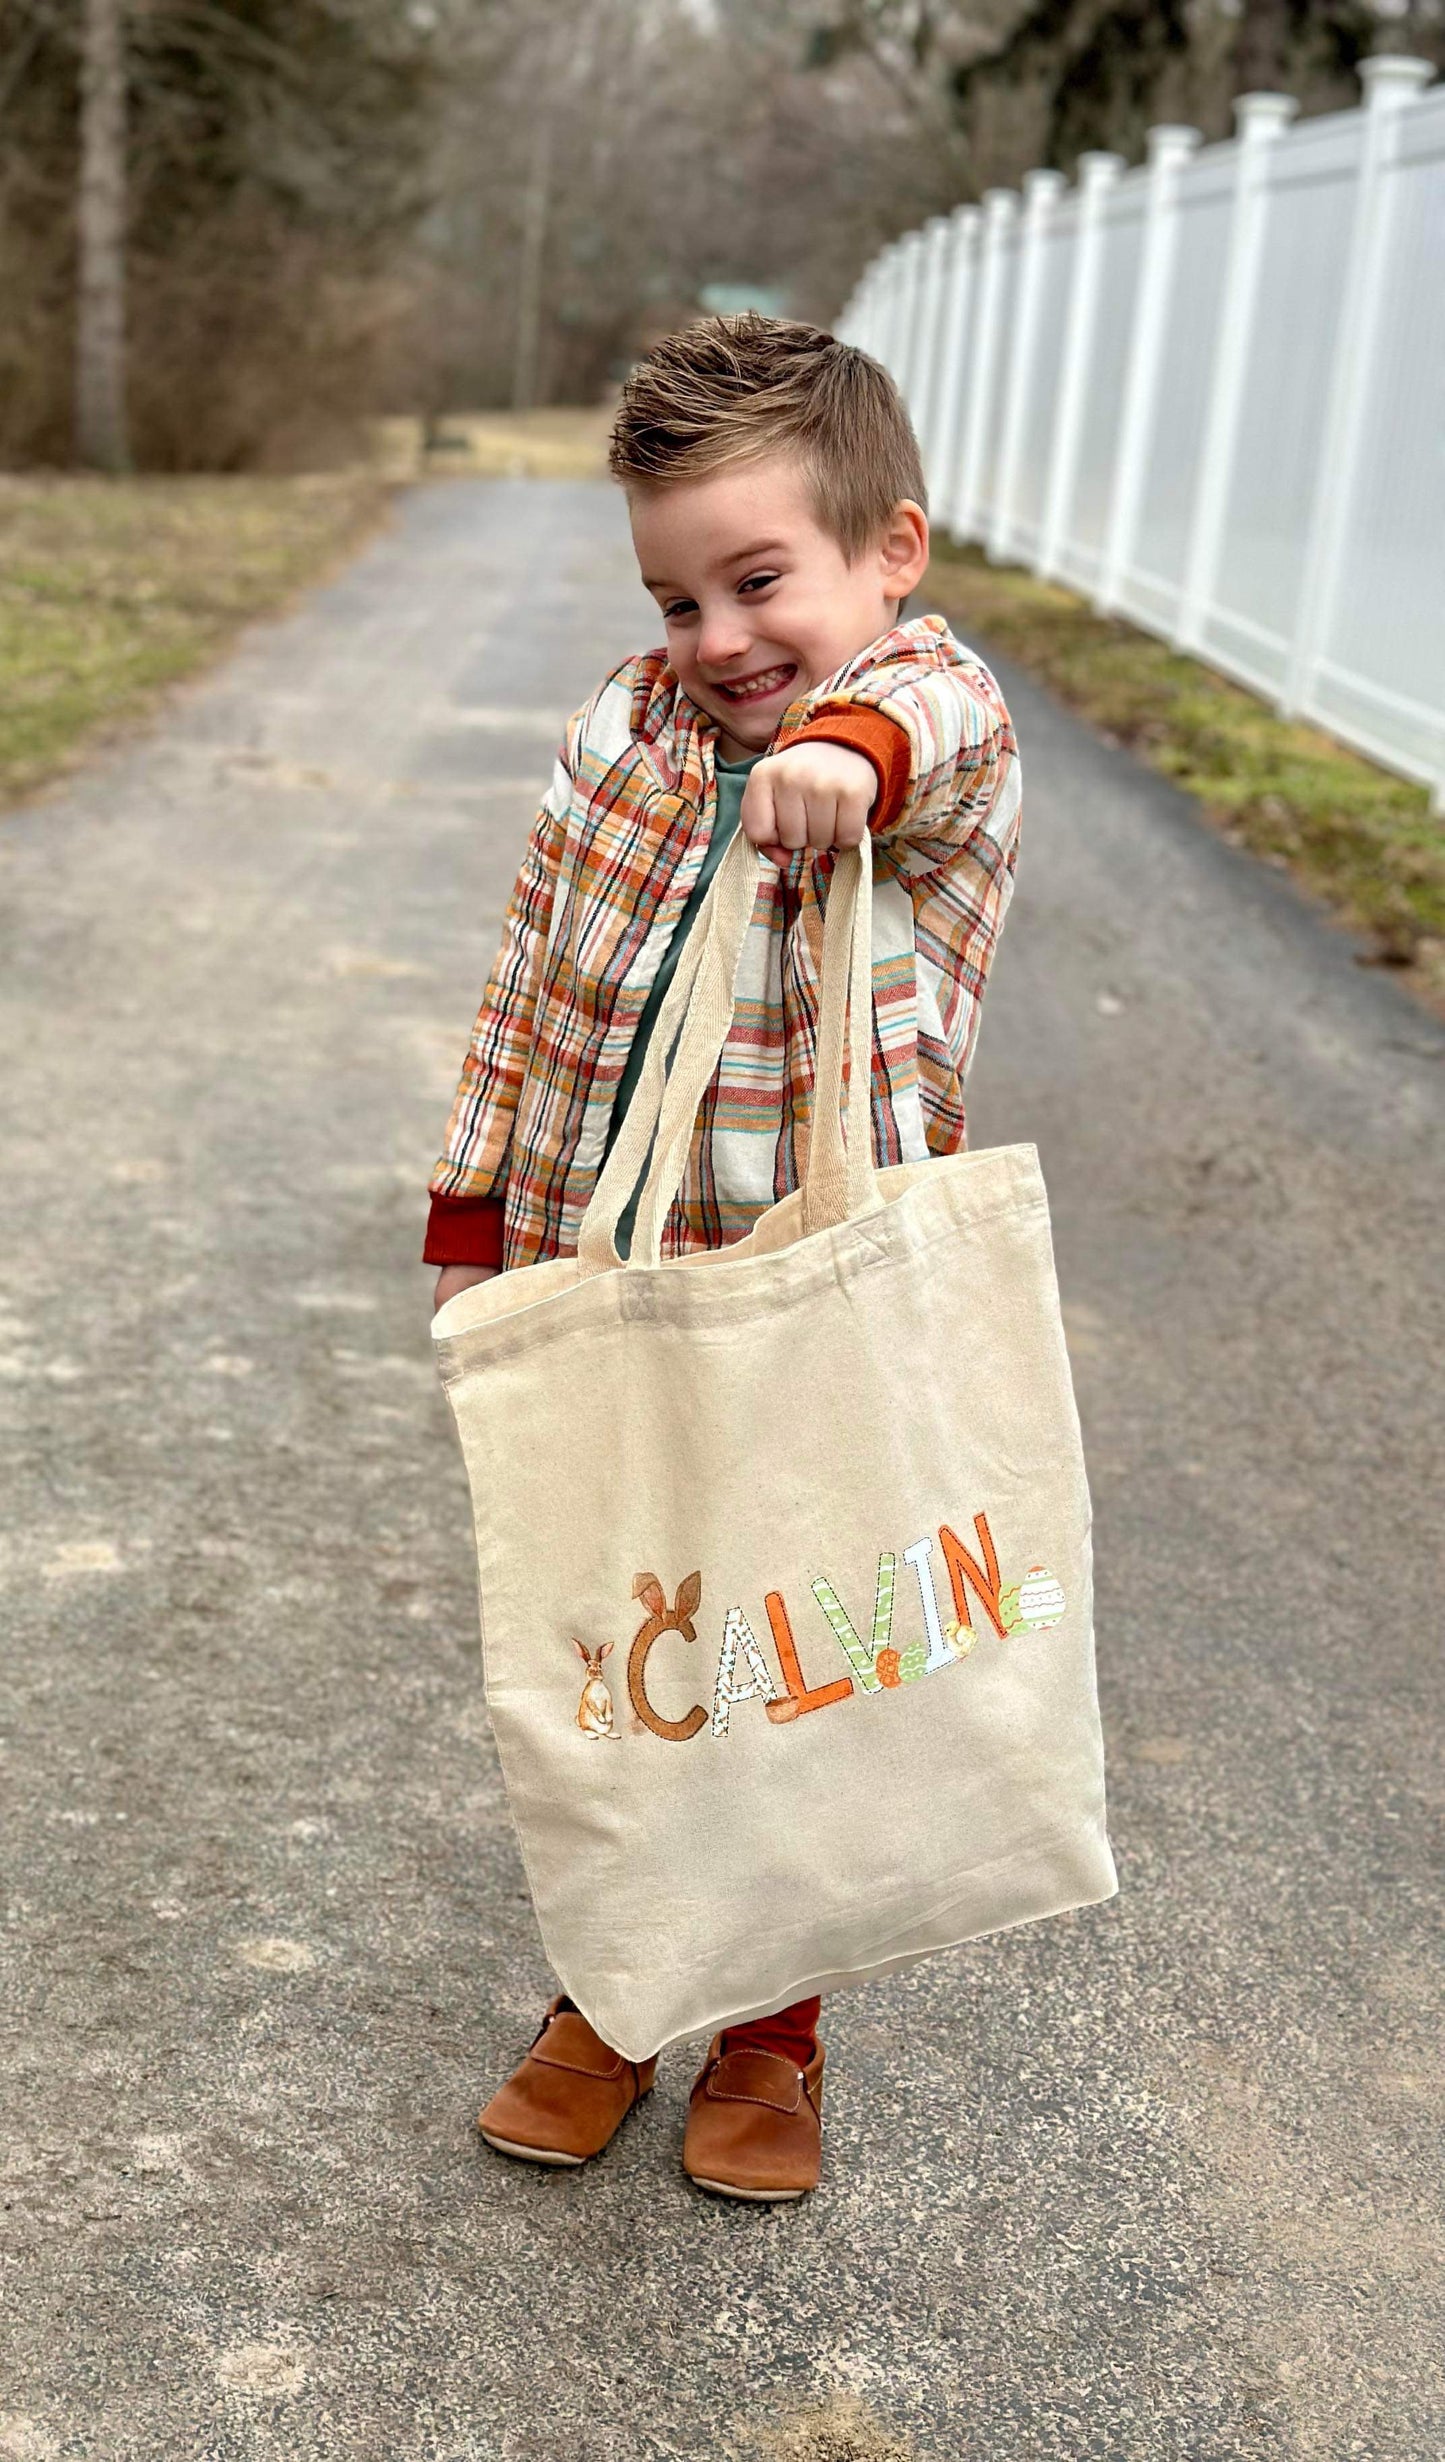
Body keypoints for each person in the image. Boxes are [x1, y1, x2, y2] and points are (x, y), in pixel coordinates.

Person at [425, 313, 1021, 2200]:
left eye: (761, 580)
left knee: (797, 1653)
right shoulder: (624, 726)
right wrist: (473, 1215)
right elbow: (534, 974)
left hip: (815, 1290)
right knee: (625, 1644)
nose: (719, 640)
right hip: (610, 1278)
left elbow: (932, 718)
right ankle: (615, 1985)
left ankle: (774, 2028)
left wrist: (845, 743)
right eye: (678, 596)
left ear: (889, 553)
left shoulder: (925, 723)